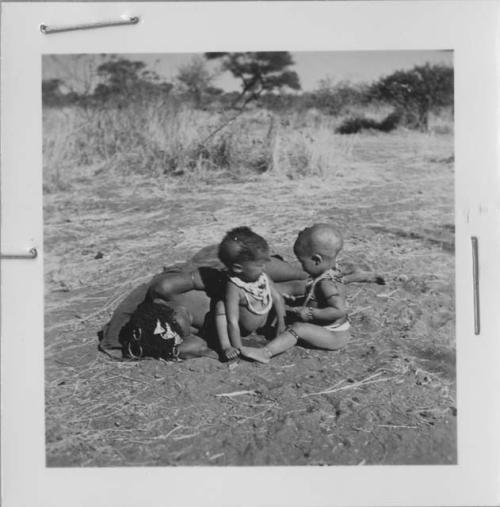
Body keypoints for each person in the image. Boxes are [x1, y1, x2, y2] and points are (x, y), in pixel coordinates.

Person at [241, 224, 353, 364]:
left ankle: (266, 353)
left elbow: (339, 310)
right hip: (326, 327)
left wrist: (311, 313)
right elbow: (317, 298)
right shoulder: (324, 275)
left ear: (316, 260)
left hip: (334, 335)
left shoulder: (328, 284)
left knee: (298, 329)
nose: (301, 266)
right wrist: (295, 301)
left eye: (302, 262)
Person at [213, 227, 287, 361]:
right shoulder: (234, 286)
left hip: (264, 323)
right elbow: (232, 321)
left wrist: (281, 322)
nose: (264, 267)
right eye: (260, 265)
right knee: (220, 307)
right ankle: (226, 346)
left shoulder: (262, 277)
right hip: (244, 329)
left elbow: (278, 298)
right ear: (238, 268)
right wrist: (239, 348)